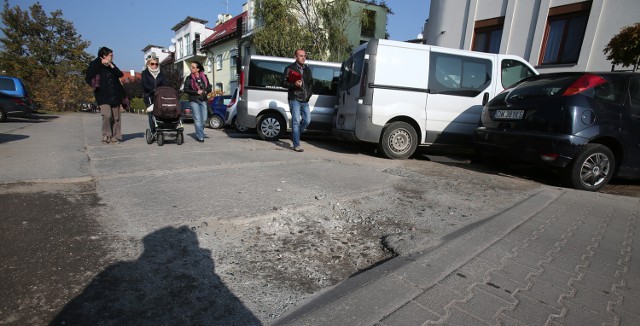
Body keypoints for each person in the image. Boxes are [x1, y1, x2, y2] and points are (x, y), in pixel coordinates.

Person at [86, 46, 125, 144]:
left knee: (116, 117)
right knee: (107, 115)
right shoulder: (95, 64)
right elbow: (88, 77)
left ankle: (115, 136)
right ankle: (106, 135)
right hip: (102, 95)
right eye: (111, 55)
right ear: (104, 55)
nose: (113, 57)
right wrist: (100, 63)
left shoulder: (112, 65)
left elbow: (120, 75)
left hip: (115, 95)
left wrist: (112, 66)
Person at [282, 49, 313, 152]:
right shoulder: (289, 69)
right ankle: (296, 144)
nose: (303, 58)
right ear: (295, 57)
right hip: (294, 98)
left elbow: (310, 84)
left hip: (305, 100)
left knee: (307, 120)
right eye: (301, 56)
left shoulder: (308, 70)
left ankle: (295, 135)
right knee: (296, 122)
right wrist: (294, 85)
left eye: (304, 56)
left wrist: (308, 96)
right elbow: (283, 83)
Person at [183, 61, 212, 142]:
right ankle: (200, 136)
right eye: (191, 67)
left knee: (204, 119)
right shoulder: (188, 78)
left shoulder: (204, 77)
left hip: (203, 99)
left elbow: (209, 87)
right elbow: (185, 89)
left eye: (193, 67)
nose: (191, 68)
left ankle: (199, 132)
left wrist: (205, 91)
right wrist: (196, 92)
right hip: (194, 100)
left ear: (198, 69)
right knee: (197, 119)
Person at [141, 54, 166, 134]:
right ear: (148, 64)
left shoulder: (161, 73)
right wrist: (153, 90)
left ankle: (159, 129)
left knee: (160, 113)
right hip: (149, 96)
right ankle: (153, 131)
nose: (154, 65)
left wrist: (160, 90)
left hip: (159, 96)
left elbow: (164, 83)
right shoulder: (145, 73)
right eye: (152, 64)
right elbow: (144, 84)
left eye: (156, 64)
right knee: (151, 114)